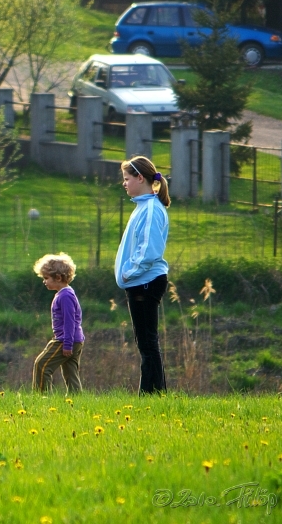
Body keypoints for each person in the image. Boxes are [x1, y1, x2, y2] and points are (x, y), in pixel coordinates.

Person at [116, 155, 170, 394]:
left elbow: (148, 251)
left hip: (145, 283)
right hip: (141, 282)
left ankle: (151, 395)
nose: (124, 183)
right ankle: (155, 393)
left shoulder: (150, 210)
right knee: (146, 343)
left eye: (127, 178)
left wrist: (128, 273)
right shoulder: (143, 207)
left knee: (148, 344)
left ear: (140, 178)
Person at [31, 253, 84, 394]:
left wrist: (67, 344)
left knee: (42, 365)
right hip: (75, 340)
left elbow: (69, 321)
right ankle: (76, 399)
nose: (44, 281)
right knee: (70, 373)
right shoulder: (65, 294)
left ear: (58, 277)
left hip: (65, 340)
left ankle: (41, 397)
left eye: (46, 278)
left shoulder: (65, 296)